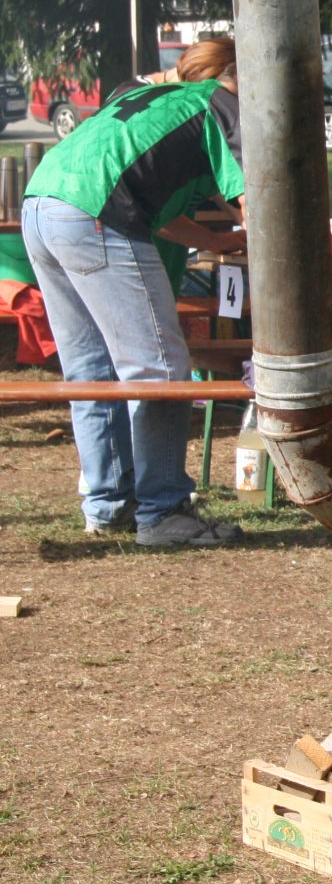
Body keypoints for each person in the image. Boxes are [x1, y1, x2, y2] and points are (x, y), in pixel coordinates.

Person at [21, 37, 249, 547]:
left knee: (91, 371)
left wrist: (219, 242)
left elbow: (161, 215)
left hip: (42, 204)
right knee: (161, 370)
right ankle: (163, 512)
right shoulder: (222, 103)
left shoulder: (150, 96)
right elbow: (257, 200)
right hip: (96, 215)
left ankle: (108, 506)